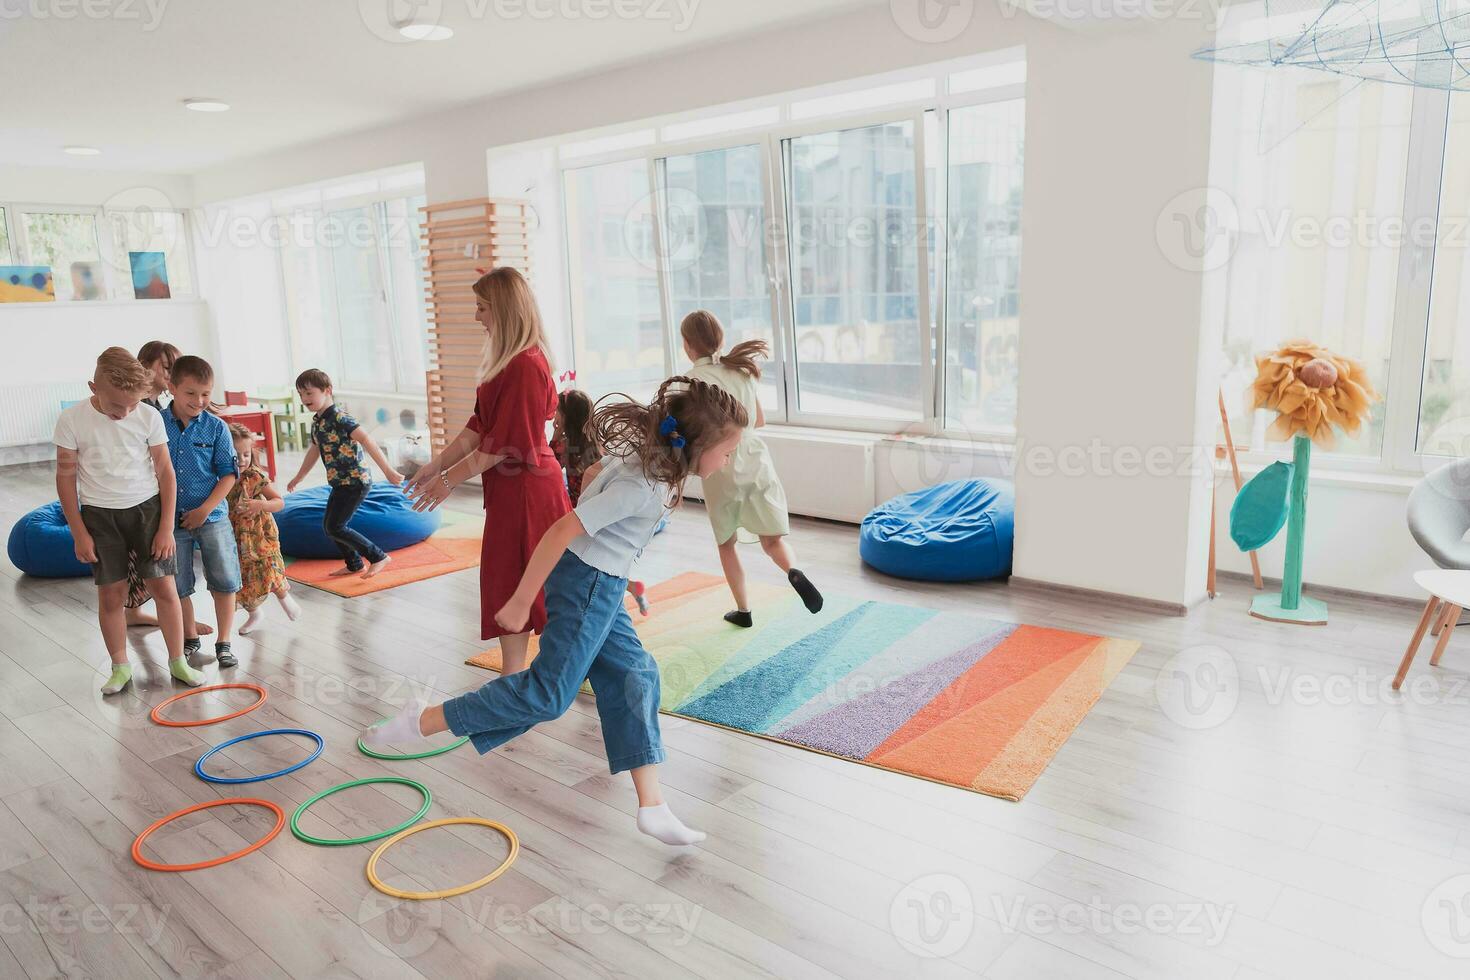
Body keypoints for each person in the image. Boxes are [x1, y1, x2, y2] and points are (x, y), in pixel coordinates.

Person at [371, 376, 748, 846]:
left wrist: (617, 568)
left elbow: (593, 483)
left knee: (637, 676)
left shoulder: (649, 463)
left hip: (600, 583)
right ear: (696, 445)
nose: (729, 461)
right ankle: (423, 719)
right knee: (548, 695)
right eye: (727, 452)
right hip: (586, 585)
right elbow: (562, 530)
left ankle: (653, 807)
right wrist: (522, 599)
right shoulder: (648, 485)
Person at [404, 267, 570, 674]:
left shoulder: (527, 365)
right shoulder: (506, 361)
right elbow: (480, 426)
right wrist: (436, 465)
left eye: (482, 308)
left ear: (505, 310)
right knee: (505, 577)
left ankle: (555, 669)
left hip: (531, 490)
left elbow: (503, 445)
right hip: (510, 491)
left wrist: (447, 483)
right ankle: (513, 674)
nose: (477, 317)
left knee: (543, 578)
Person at [54, 347, 199, 693]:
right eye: (116, 406)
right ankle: (120, 667)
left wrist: (166, 528)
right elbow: (64, 478)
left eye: (132, 405)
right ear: (93, 388)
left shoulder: (148, 416)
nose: (125, 413)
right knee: (110, 595)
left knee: (164, 587)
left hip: (147, 512)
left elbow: (166, 472)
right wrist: (79, 533)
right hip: (99, 516)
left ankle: (178, 661)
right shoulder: (72, 420)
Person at [680, 310, 822, 626]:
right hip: (756, 461)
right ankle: (794, 571)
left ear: (688, 345)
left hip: (721, 467)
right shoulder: (741, 373)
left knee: (726, 543)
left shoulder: (689, 381)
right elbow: (758, 421)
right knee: (772, 541)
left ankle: (743, 611)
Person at [163, 355, 243, 668]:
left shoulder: (216, 428)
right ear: (172, 388)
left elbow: (228, 475)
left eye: (206, 394)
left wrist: (204, 509)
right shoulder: (155, 423)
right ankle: (189, 637)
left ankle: (224, 641)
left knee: (224, 579)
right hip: (170, 520)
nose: (199, 401)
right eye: (191, 393)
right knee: (178, 582)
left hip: (211, 518)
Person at [286, 369, 404, 578]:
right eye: (300, 394)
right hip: (340, 482)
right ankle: (354, 564)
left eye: (309, 393)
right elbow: (314, 451)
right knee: (330, 526)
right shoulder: (318, 422)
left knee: (335, 526)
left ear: (327, 390)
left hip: (355, 481)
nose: (304, 399)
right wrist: (299, 477)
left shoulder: (341, 418)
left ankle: (378, 556)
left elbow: (367, 440)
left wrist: (388, 471)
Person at [552, 387, 650, 616]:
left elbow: (550, 465)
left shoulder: (566, 446)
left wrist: (555, 437)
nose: (554, 416)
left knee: (591, 566)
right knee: (605, 563)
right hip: (603, 512)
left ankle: (614, 602)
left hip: (582, 513)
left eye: (557, 411)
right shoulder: (596, 442)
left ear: (567, 417)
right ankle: (632, 587)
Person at [226, 422, 300, 634]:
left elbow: (279, 502)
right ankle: (255, 613)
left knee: (268, 568)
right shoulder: (223, 478)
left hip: (261, 535)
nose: (241, 460)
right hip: (237, 538)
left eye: (246, 454)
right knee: (245, 577)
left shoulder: (254, 477)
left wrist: (261, 504)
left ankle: (285, 598)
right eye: (236, 454)